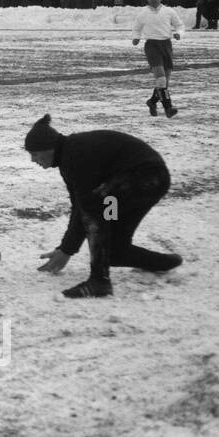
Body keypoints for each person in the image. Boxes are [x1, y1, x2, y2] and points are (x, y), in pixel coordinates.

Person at [26, 113, 182, 299]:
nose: (33, 160)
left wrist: (67, 249)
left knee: (95, 208)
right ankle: (163, 263)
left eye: (35, 154)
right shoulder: (68, 159)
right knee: (114, 250)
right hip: (137, 185)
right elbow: (78, 206)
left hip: (146, 177)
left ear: (48, 148)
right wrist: (66, 248)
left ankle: (99, 282)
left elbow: (86, 207)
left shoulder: (75, 154)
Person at [132, 0, 184, 118]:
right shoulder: (142, 13)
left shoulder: (169, 11)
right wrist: (136, 37)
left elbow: (180, 25)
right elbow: (136, 28)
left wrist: (178, 33)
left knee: (164, 82)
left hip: (166, 45)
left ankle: (152, 101)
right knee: (160, 78)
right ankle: (168, 108)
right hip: (152, 46)